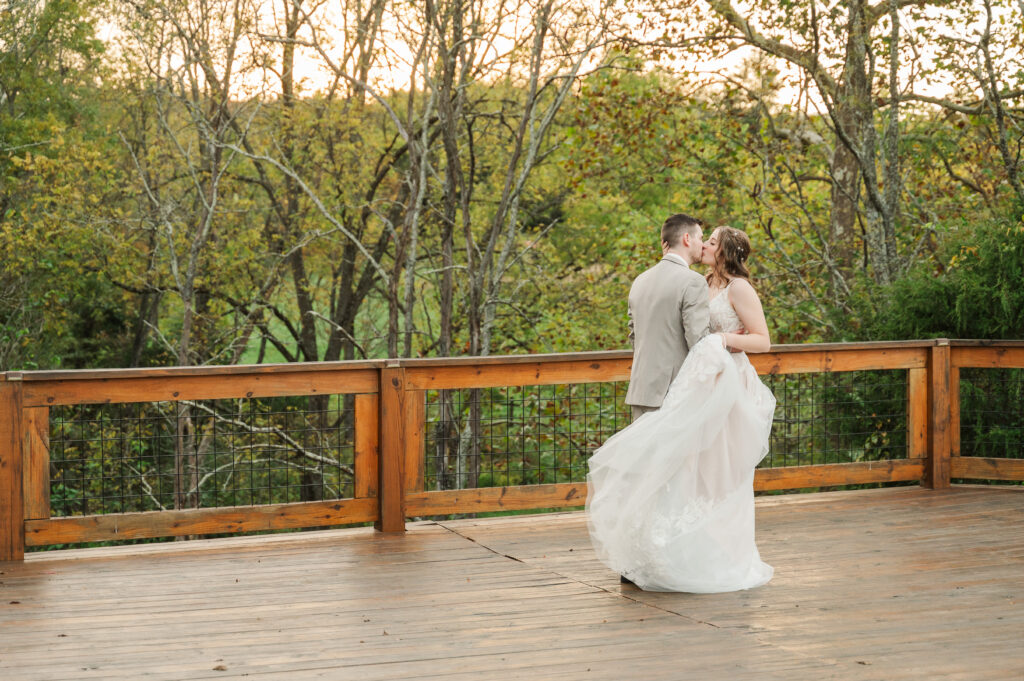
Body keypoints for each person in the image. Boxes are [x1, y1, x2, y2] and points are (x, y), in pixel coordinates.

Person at [587, 225, 776, 593]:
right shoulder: (699, 283)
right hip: (695, 386)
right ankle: (675, 553)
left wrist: (722, 340)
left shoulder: (739, 288)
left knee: (720, 475)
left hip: (726, 385)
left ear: (725, 250)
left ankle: (720, 555)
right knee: (689, 475)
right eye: (703, 238)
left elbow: (762, 341)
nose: (704, 245)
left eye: (711, 241)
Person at [624, 214, 711, 421]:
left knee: (644, 453)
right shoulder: (693, 281)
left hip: (641, 390)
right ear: (687, 239)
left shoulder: (640, 281)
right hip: (675, 393)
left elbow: (634, 336)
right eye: (700, 238)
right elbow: (699, 342)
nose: (703, 245)